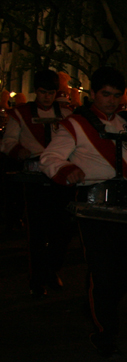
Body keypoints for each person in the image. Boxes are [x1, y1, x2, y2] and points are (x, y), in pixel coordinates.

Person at [40, 66, 127, 357]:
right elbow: (50, 157)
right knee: (102, 268)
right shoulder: (76, 124)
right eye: (106, 94)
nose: (111, 101)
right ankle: (105, 330)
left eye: (117, 96)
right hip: (93, 205)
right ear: (93, 93)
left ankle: (97, 303)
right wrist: (67, 169)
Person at [1, 69, 75, 297]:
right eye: (43, 92)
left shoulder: (66, 114)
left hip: (60, 177)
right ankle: (37, 280)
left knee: (62, 231)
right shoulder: (20, 114)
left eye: (51, 93)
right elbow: (7, 142)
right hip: (33, 177)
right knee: (37, 232)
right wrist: (19, 150)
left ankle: (52, 271)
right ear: (36, 91)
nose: (47, 97)